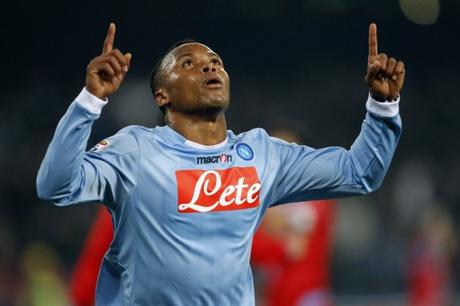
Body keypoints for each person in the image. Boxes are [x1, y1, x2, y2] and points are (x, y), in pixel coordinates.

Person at [36, 22, 404, 305]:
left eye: (215, 62)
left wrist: (382, 107)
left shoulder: (263, 154)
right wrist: (88, 102)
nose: (209, 67)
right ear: (162, 95)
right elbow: (55, 186)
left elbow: (361, 173)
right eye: (189, 63)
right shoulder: (134, 150)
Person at [251, 129, 336, 306]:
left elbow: (298, 245)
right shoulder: (264, 195)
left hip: (307, 294)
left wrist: (267, 217)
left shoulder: (316, 191)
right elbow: (251, 246)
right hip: (275, 295)